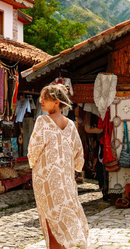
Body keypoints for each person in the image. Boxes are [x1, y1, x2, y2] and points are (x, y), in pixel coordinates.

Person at [28, 84, 90, 249]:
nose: (41, 101)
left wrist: (33, 163)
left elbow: (33, 150)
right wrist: (75, 168)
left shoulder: (43, 121)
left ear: (56, 102)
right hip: (66, 181)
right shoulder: (70, 125)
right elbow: (79, 154)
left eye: (46, 99)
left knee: (50, 218)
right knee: (64, 215)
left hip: (46, 180)